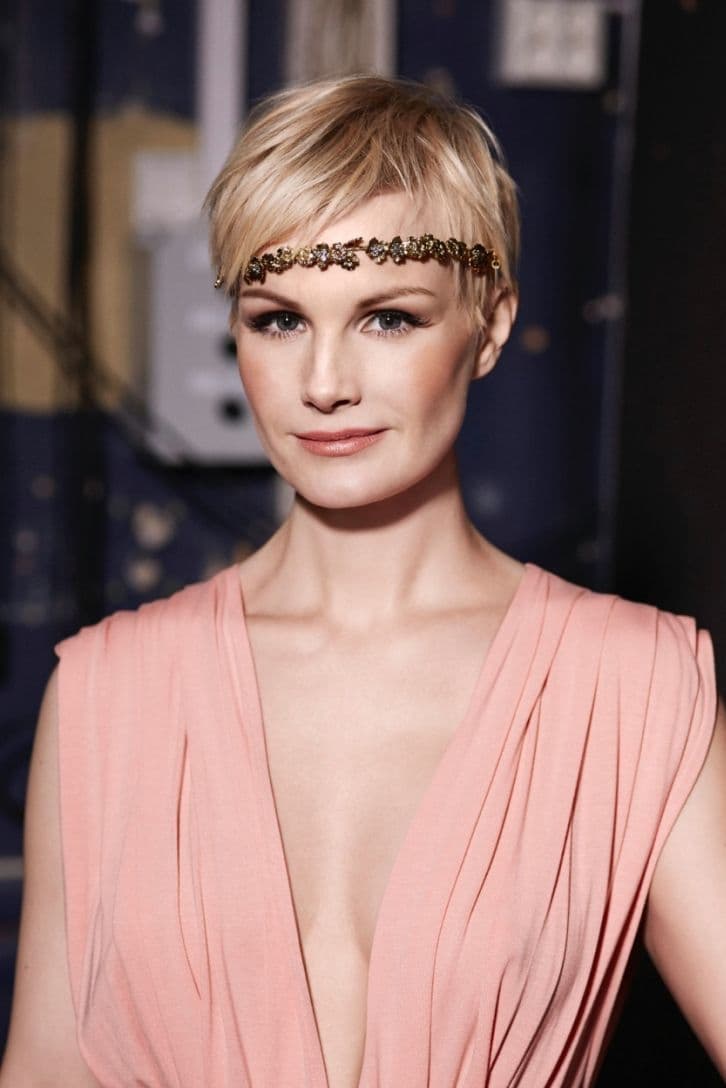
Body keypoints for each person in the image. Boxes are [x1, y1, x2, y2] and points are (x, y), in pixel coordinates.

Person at [1, 75, 725, 1088]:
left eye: (387, 318)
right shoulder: (105, 694)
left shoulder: (635, 687)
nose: (324, 383)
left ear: (491, 324)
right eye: (279, 320)